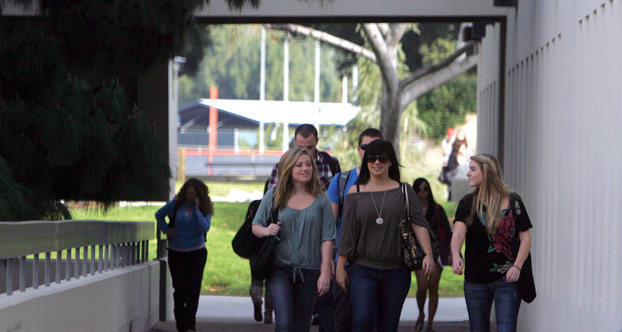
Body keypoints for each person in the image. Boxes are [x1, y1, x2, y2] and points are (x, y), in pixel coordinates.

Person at [336, 140, 435, 332]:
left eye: (382, 158)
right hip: (363, 268)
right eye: (372, 158)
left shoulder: (404, 191)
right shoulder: (354, 192)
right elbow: (347, 232)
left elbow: (419, 225)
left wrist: (428, 255)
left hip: (396, 271)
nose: (376, 162)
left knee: (388, 326)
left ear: (391, 162)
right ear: (366, 162)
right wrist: (340, 266)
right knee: (362, 321)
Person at [252, 147, 336, 332]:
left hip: (311, 271)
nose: (305, 168)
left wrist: (324, 272)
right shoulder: (274, 195)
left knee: (301, 326)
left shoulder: (321, 198)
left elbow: (328, 237)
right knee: (284, 324)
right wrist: (267, 230)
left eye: (308, 164)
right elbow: (255, 226)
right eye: (299, 165)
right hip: (280, 270)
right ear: (288, 168)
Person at [451, 154, 533, 332]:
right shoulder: (468, 203)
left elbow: (525, 238)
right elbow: (458, 234)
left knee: (506, 327)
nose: (468, 174)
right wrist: (456, 256)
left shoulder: (514, 202)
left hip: (506, 277)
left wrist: (517, 267)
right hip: (475, 279)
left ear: (487, 172)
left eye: (473, 169)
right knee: (478, 328)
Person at [326, 128, 384, 332]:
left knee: (370, 322)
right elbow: (329, 227)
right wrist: (328, 263)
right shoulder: (341, 181)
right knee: (343, 321)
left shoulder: (392, 185)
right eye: (366, 147)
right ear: (359, 149)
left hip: (379, 264)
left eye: (377, 148)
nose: (371, 153)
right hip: (346, 262)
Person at [155, 178, 213, 332]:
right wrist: (167, 230)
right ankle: (181, 323)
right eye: (188, 193)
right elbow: (159, 215)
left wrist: (195, 211)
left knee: (193, 289)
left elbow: (203, 228)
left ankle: (190, 326)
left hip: (197, 253)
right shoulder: (176, 204)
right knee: (180, 289)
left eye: (193, 194)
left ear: (199, 195)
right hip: (177, 252)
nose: (190, 196)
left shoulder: (204, 208)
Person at [412, 178, 453, 332]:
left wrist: (450, 252)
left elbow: (448, 232)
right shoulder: (412, 210)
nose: (422, 192)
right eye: (419, 189)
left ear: (429, 190)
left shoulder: (437, 209)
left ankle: (429, 324)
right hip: (419, 252)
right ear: (415, 191)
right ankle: (421, 313)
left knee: (433, 287)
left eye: (425, 188)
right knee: (422, 286)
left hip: (437, 252)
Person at [268, 124, 341, 191]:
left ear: (317, 141)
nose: (305, 151)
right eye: (300, 147)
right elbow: (272, 197)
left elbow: (339, 194)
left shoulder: (331, 162)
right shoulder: (282, 164)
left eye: (309, 147)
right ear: (295, 142)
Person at [247, 181, 273, 324]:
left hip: (255, 249)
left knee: (256, 278)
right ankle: (268, 314)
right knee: (271, 281)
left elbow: (247, 226)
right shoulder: (277, 205)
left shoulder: (254, 205)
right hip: (271, 249)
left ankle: (257, 297)